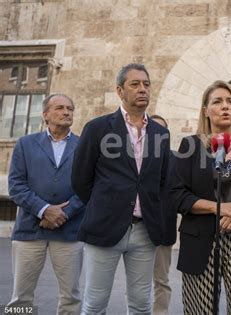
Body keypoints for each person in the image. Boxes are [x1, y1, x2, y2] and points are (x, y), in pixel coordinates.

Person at [72, 63, 170, 314]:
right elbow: (80, 180)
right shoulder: (97, 128)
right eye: (135, 84)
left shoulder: (161, 133)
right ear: (119, 90)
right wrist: (104, 206)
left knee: (141, 305)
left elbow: (162, 181)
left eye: (146, 84)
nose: (142, 89)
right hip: (104, 227)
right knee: (95, 304)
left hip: (144, 231)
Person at [170, 80, 231, 314]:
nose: (226, 106)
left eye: (230, 101)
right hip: (201, 240)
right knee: (199, 310)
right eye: (217, 101)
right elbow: (177, 195)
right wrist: (219, 208)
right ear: (205, 110)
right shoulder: (191, 145)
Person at [7, 94, 85, 314]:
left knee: (70, 297)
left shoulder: (84, 146)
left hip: (69, 231)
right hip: (29, 231)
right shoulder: (25, 144)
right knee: (20, 298)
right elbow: (16, 185)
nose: (66, 112)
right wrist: (44, 211)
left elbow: (88, 188)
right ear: (45, 115)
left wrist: (64, 213)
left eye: (70, 108)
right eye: (60, 107)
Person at [150, 114, 177, 315]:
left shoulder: (178, 159)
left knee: (161, 279)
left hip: (163, 229)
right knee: (137, 281)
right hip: (136, 229)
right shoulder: (133, 157)